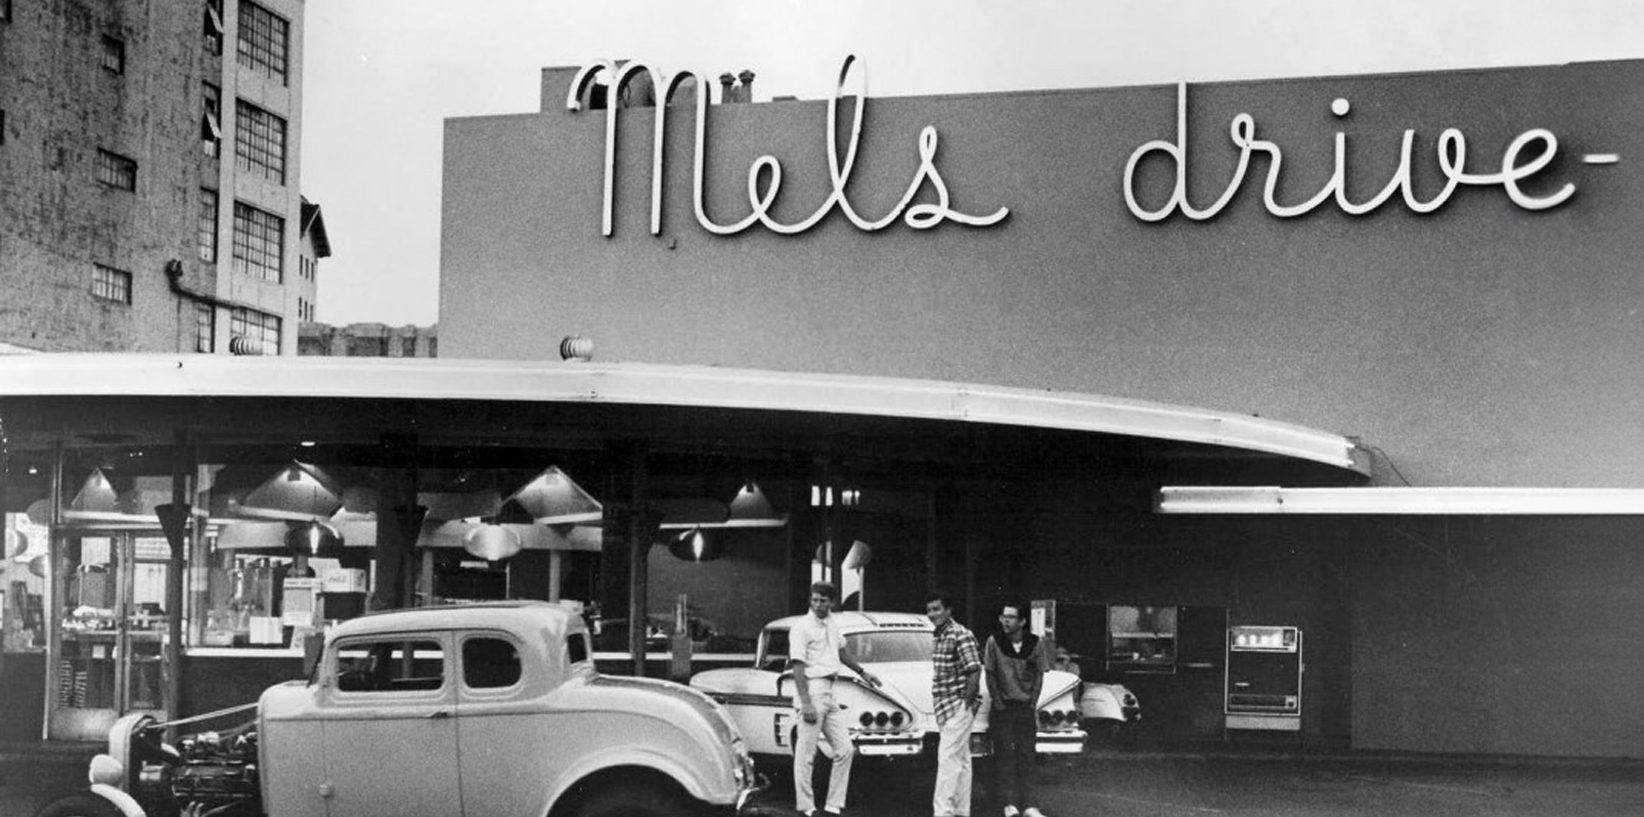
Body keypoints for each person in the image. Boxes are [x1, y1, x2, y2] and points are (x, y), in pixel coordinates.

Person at [790, 581, 882, 816]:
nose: (818, 604)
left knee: (845, 749)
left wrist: (863, 672)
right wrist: (806, 702)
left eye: (823, 600)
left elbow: (841, 651)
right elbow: (797, 667)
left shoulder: (832, 622)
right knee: (806, 753)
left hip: (831, 690)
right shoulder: (801, 627)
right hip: (812, 689)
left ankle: (833, 806)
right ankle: (806, 807)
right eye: (814, 599)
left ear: (832, 602)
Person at [984, 601, 1055, 817]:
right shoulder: (994, 642)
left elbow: (1040, 676)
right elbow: (990, 673)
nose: (1005, 620)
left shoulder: (1036, 643)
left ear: (1023, 621)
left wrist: (1032, 703)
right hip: (1003, 707)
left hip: (1024, 708)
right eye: (1003, 616)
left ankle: (1030, 806)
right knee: (1004, 755)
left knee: (1027, 755)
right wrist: (998, 702)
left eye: (1011, 617)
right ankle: (1009, 804)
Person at [926, 589, 982, 817]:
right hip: (945, 705)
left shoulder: (960, 634)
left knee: (948, 759)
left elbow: (974, 670)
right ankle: (960, 811)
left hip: (957, 704)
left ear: (949, 610)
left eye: (937, 609)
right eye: (929, 610)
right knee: (961, 759)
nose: (932, 614)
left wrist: (965, 703)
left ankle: (943, 812)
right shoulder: (939, 635)